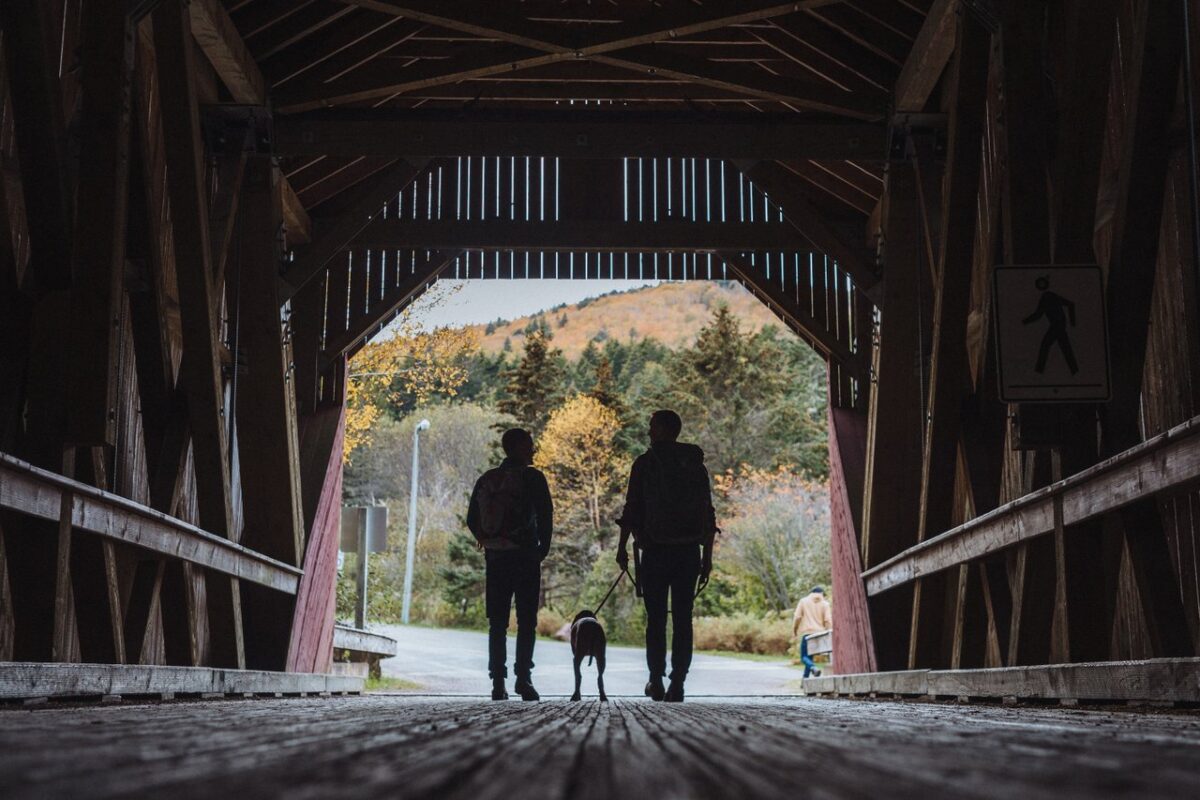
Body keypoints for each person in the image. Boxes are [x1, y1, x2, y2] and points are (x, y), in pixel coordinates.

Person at [616, 409, 716, 703]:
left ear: (662, 429)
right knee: (683, 619)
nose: (649, 432)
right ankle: (678, 683)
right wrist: (707, 557)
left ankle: (656, 680)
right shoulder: (696, 466)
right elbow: (707, 513)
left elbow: (631, 509)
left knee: (656, 619)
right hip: (688, 552)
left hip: (655, 551)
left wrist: (622, 548)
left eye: (652, 427)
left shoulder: (645, 464)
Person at [466, 428, 553, 701]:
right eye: (529, 444)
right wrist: (543, 548)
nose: (533, 449)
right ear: (516, 448)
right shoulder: (534, 478)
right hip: (526, 556)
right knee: (527, 620)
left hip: (497, 558)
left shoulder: (488, 478)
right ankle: (524, 680)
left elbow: (471, 518)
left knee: (497, 623)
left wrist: (487, 540)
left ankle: (498, 683)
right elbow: (545, 514)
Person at [793, 586, 832, 678]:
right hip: (820, 634)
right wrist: (828, 633)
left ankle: (813, 667)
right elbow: (828, 620)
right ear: (821, 594)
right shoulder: (825, 604)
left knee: (804, 657)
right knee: (809, 657)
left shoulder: (803, 601)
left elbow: (797, 617)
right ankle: (805, 679)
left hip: (807, 633)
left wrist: (795, 630)